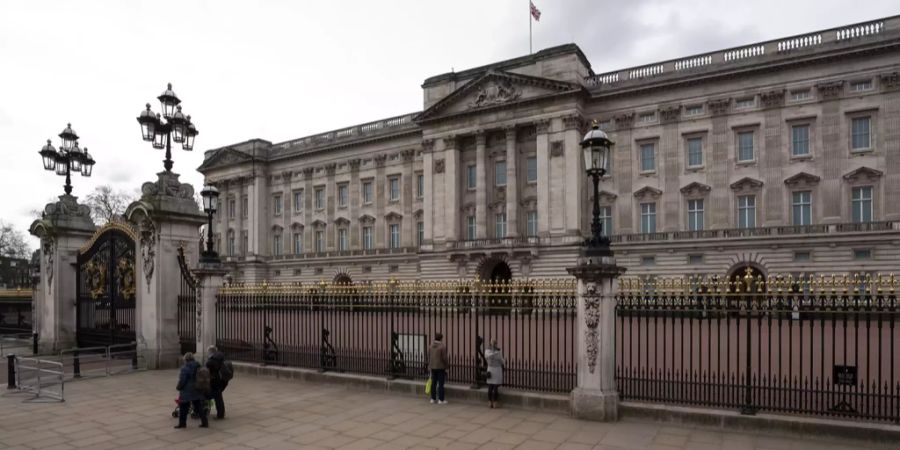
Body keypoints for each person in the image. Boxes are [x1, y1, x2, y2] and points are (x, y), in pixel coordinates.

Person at [175, 352, 208, 429]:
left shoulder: (185, 368)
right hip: (197, 388)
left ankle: (182, 424)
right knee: (199, 406)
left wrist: (178, 387)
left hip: (187, 390)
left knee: (183, 407)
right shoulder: (199, 366)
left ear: (185, 359)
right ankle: (205, 422)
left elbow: (182, 380)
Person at [205, 346, 228, 419]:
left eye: (208, 352)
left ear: (210, 352)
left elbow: (208, 372)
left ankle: (218, 414)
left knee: (210, 396)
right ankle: (221, 413)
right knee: (219, 397)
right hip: (221, 380)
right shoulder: (221, 357)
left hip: (214, 381)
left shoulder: (211, 361)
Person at [428, 332, 448, 404]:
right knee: (441, 383)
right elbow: (444, 358)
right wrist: (447, 365)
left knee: (433, 383)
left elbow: (429, 356)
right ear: (441, 338)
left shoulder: (430, 346)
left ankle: (433, 398)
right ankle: (441, 399)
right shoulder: (442, 347)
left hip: (433, 366)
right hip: (440, 367)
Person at [485, 339, 505, 408]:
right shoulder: (498, 352)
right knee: (495, 387)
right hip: (497, 370)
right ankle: (495, 402)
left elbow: (487, 357)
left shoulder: (487, 351)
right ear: (495, 344)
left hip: (490, 369)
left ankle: (490, 402)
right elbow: (502, 361)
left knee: (490, 386)